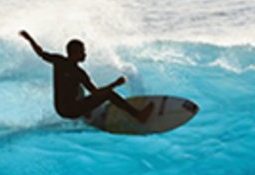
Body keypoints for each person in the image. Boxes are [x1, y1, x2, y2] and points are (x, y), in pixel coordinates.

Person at [19, 30, 154, 123]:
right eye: (82, 51)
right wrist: (115, 84)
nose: (85, 54)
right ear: (74, 53)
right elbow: (96, 92)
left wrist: (29, 38)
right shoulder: (79, 73)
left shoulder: (58, 61)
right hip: (71, 111)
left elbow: (41, 53)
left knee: (78, 88)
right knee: (109, 94)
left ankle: (86, 113)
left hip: (60, 109)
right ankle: (138, 115)